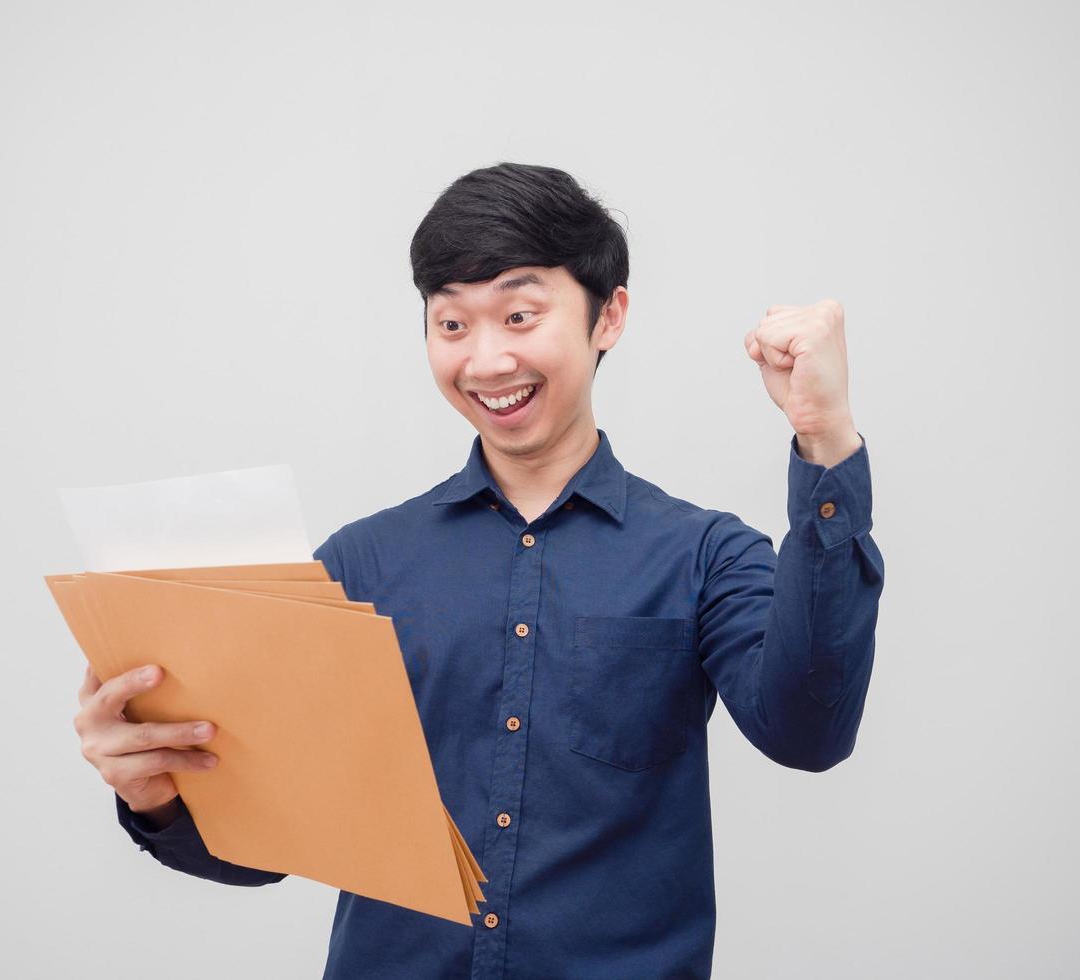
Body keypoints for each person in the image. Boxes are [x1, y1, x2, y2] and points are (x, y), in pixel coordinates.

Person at [73, 161, 885, 978]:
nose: (487, 360)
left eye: (520, 315)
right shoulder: (359, 564)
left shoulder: (706, 556)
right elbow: (264, 851)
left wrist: (825, 437)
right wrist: (154, 792)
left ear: (609, 316)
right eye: (452, 325)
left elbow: (808, 735)